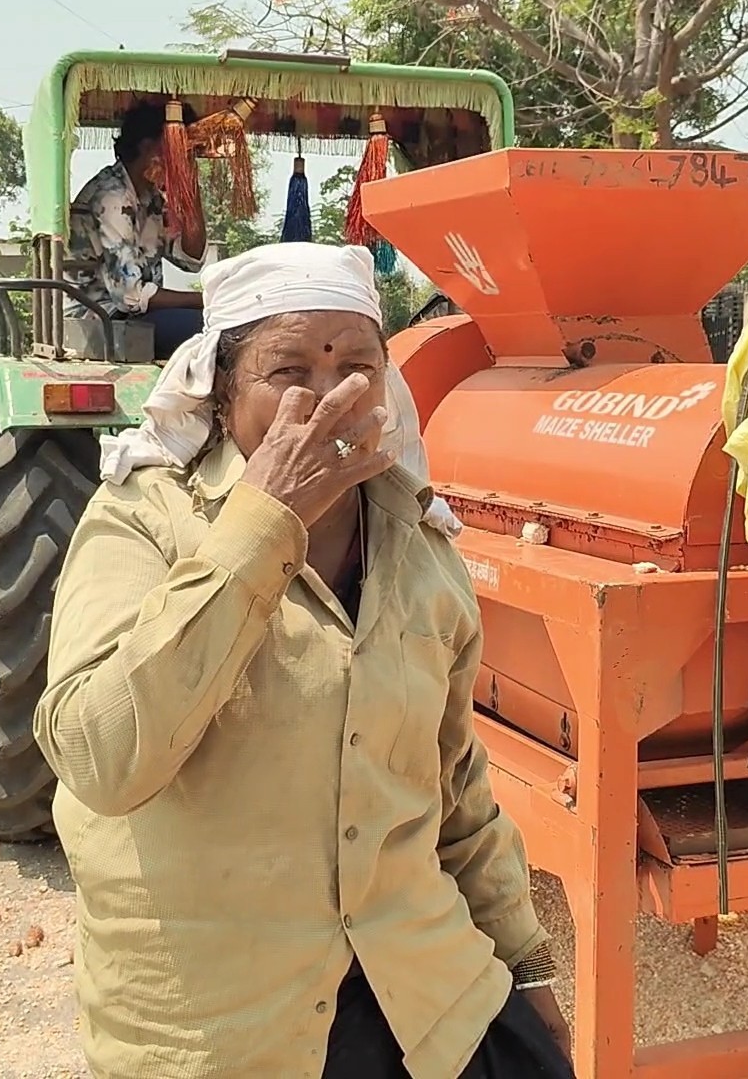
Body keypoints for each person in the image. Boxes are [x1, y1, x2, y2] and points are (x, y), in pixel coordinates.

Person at [34, 242, 572, 1079]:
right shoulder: (142, 523)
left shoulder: (420, 547)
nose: (332, 396)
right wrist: (264, 521)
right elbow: (101, 758)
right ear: (220, 392)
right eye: (289, 370)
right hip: (224, 1027)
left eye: (358, 363)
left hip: (422, 990)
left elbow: (455, 788)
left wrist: (528, 967)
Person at [66, 99, 207, 360]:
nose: (184, 159)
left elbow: (190, 258)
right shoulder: (113, 198)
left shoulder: (150, 199)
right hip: (98, 319)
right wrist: (202, 300)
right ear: (148, 149)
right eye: (177, 151)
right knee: (212, 329)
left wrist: (191, 188)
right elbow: (130, 295)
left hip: (133, 318)